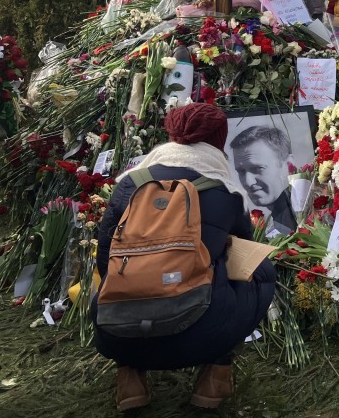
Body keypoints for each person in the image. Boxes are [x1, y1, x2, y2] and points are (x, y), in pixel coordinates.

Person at [93, 103, 275, 411]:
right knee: (261, 271)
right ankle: (215, 375)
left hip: (116, 330)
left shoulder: (129, 184)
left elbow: (104, 259)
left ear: (172, 135)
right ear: (219, 139)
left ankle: (130, 377)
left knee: (112, 279)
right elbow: (241, 256)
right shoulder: (224, 192)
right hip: (199, 334)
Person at [229, 124, 298, 235]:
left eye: (257, 168)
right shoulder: (288, 214)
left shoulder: (300, 219)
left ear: (288, 165)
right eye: (241, 171)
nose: (248, 182)